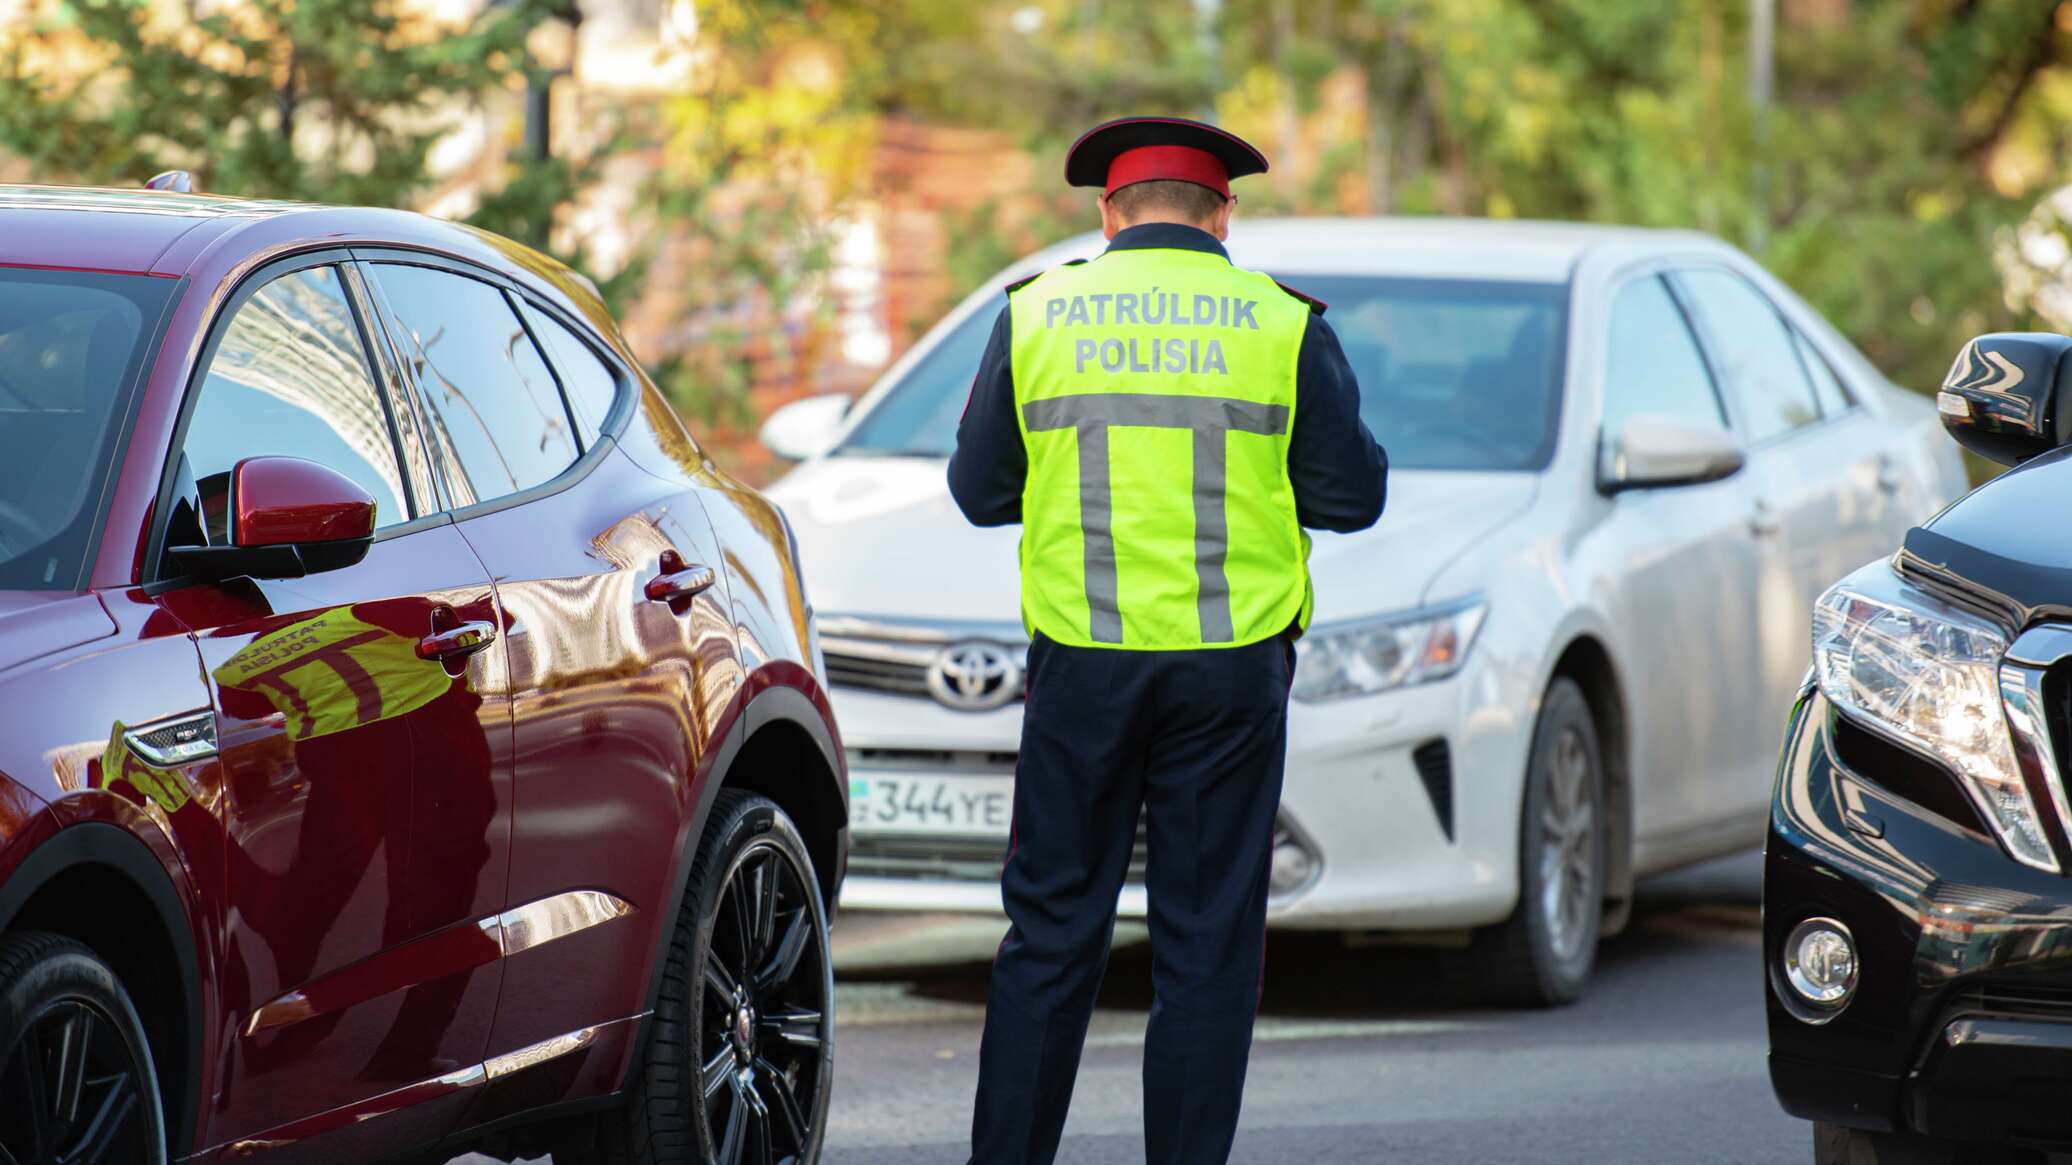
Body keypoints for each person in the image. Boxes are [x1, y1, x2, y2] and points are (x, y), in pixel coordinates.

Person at [947, 115, 1388, 1165]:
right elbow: (1350, 496)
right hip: (1229, 674)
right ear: (1221, 213)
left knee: (1050, 933)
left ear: (1107, 214)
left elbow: (976, 491)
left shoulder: (1039, 311)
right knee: (1204, 944)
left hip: (1081, 669)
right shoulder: (1277, 322)